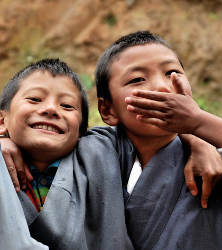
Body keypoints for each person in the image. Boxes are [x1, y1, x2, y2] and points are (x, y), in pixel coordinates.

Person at [94, 30, 222, 250]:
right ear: (107, 110)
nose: (162, 86)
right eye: (137, 79)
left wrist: (198, 124)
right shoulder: (97, 152)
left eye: (172, 73)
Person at [0, 58, 133, 250]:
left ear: (82, 131)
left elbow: (153, 133)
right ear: (2, 120)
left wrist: (193, 137)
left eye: (67, 106)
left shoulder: (102, 151)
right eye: (35, 99)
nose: (51, 109)